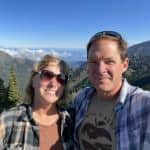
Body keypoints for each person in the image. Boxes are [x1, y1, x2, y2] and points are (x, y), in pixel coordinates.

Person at [72, 31, 150, 150]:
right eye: (93, 62)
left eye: (109, 61)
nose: (100, 69)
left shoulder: (144, 105)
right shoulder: (82, 98)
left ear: (124, 65)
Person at [0, 54, 74, 150]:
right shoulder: (9, 120)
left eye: (61, 78)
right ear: (33, 80)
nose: (54, 84)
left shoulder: (71, 121)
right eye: (47, 75)